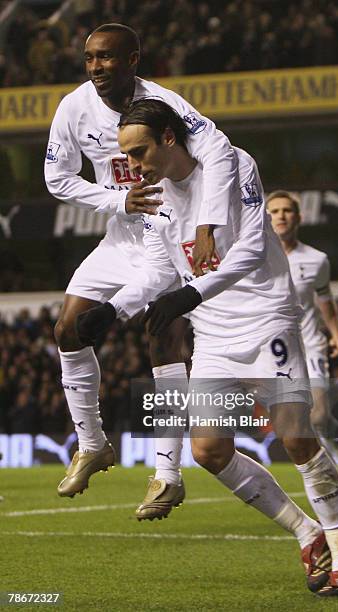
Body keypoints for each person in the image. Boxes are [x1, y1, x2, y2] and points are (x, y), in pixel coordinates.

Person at [79, 98, 338, 597]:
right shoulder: (152, 196)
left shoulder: (233, 165)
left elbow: (252, 250)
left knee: (297, 438)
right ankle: (307, 533)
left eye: (141, 152)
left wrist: (188, 294)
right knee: (209, 450)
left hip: (266, 320)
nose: (135, 166)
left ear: (169, 138)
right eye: (127, 156)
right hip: (212, 333)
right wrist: (115, 309)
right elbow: (158, 271)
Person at [44, 23, 238, 519]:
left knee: (162, 335)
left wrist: (207, 223)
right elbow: (57, 179)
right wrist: (115, 199)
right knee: (67, 328)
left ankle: (168, 475)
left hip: (166, 233)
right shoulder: (73, 107)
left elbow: (216, 148)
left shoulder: (163, 102)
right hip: (119, 234)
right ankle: (93, 445)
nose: (95, 68)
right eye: (89, 58)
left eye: (106, 58)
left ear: (133, 59)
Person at [267, 190, 338, 512]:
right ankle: (332, 481)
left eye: (287, 210)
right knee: (295, 428)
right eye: (275, 211)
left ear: (299, 217)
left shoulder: (316, 260)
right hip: (272, 350)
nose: (281, 216)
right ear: (265, 217)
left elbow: (325, 303)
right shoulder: (254, 257)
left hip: (309, 345)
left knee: (320, 414)